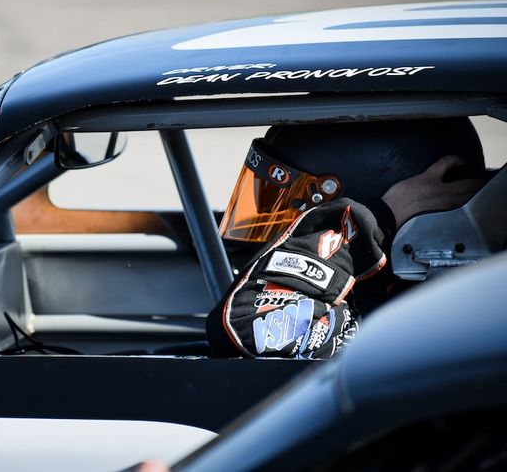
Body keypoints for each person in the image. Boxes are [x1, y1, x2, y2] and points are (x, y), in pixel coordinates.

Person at [206, 118, 486, 359]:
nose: (285, 232)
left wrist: (375, 219)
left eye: (300, 212)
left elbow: (248, 327)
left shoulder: (427, 316)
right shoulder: (368, 303)